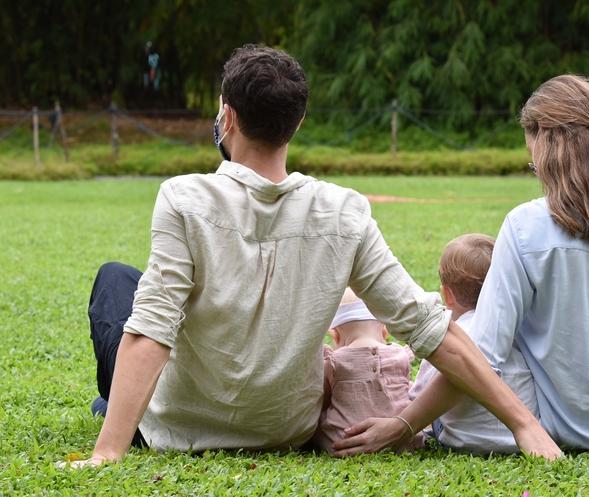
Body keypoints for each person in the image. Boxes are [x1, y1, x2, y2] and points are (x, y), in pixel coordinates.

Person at [66, 45, 561, 467]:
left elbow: (152, 328)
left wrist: (108, 452)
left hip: (183, 426)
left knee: (115, 280)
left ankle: (113, 413)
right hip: (284, 429)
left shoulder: (182, 197)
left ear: (228, 117)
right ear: (297, 122)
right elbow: (429, 327)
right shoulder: (344, 211)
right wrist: (523, 424)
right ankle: (108, 406)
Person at [337, 74, 589, 454]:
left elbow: (483, 353)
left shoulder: (526, 226)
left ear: (545, 143)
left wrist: (404, 424)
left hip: (557, 426)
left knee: (465, 333)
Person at [410, 234, 537, 454]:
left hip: (463, 442)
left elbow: (418, 397)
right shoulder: (517, 332)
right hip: (523, 439)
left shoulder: (448, 339)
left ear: (447, 295)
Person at [314, 289, 424, 452]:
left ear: (335, 335)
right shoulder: (400, 355)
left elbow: (323, 401)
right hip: (402, 441)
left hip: (344, 440)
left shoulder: (335, 362)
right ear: (385, 330)